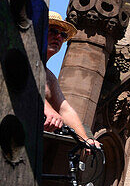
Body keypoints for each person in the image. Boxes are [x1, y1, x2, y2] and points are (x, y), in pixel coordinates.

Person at [43, 11, 100, 148]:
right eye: (53, 31)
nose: (58, 37)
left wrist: (86, 139)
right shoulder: (23, 57)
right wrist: (47, 109)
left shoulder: (50, 78)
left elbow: (65, 109)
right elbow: (24, 87)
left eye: (63, 35)